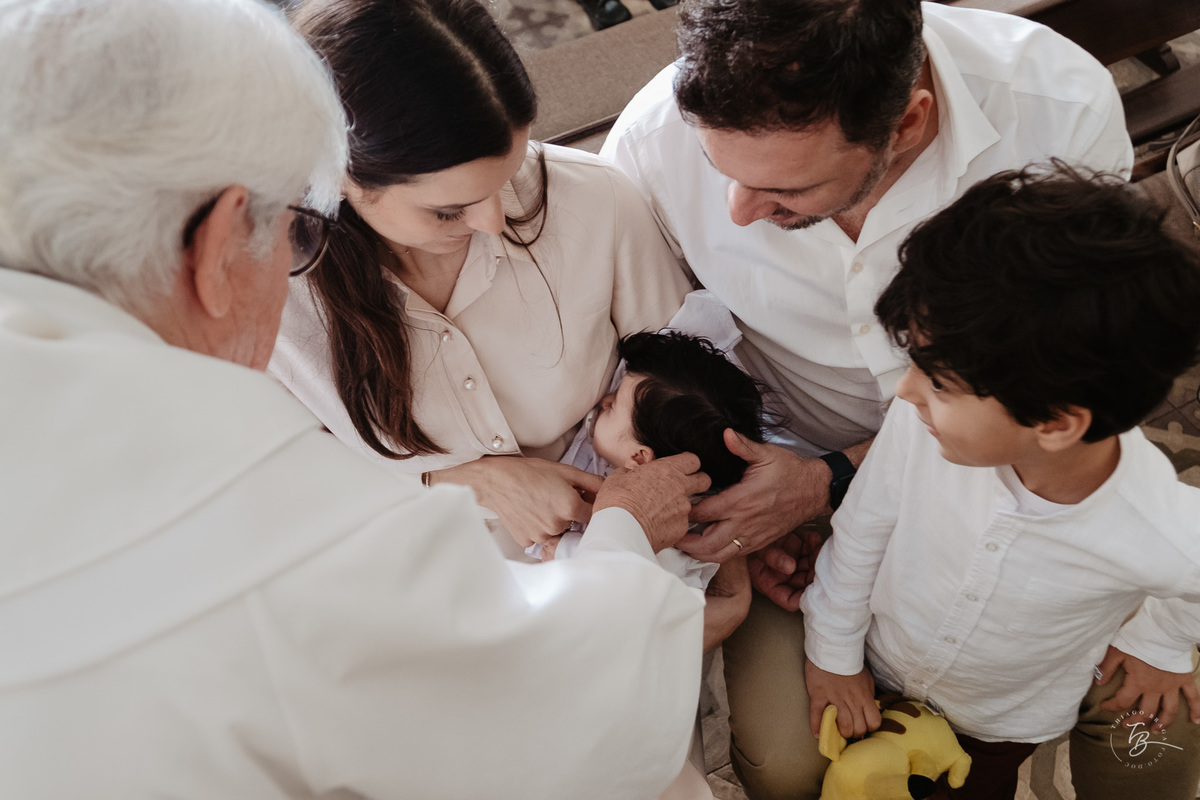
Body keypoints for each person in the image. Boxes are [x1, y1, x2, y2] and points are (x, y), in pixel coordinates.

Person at [0, 0, 710, 797]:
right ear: (221, 237)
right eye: (294, 228)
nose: (491, 222)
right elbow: (567, 720)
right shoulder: (256, 505)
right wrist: (626, 540)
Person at [600, 0, 1134, 794]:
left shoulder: (1057, 109)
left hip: (1016, 469)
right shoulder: (649, 148)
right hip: (778, 486)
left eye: (785, 188)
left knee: (1145, 727)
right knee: (788, 769)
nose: (738, 212)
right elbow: (667, 371)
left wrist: (835, 477)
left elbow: (1075, 381)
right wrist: (748, 497)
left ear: (909, 123)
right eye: (723, 174)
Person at [803, 163, 1200, 799]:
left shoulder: (1162, 526)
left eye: (938, 382)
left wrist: (1160, 644)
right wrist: (833, 653)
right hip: (876, 667)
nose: (905, 392)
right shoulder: (920, 425)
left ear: (1055, 422)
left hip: (998, 724)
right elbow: (862, 528)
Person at [270, 0, 693, 563]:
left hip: (630, 574)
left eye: (508, 174)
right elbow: (278, 489)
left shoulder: (594, 202)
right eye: (448, 211)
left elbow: (695, 391)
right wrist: (467, 482)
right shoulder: (268, 296)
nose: (494, 222)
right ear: (335, 172)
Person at [536, 325, 766, 586]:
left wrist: (567, 553)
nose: (604, 401)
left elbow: (639, 585)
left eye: (614, 406)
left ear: (640, 458)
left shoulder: (679, 535)